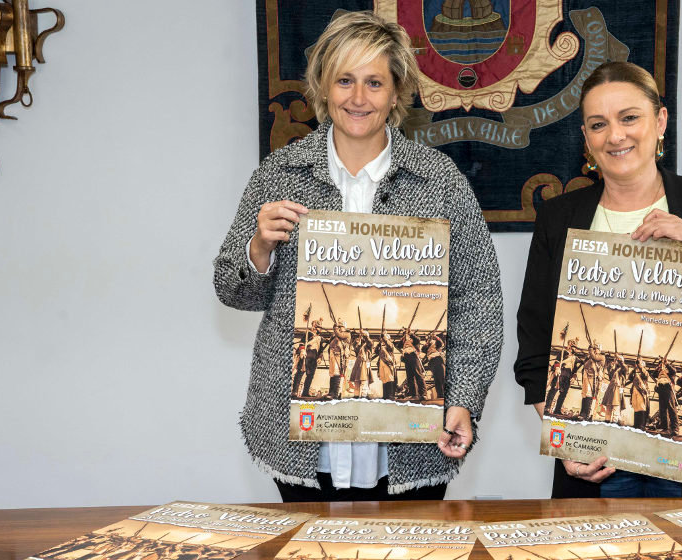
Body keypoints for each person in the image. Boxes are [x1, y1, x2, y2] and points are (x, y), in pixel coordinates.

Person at [214, 10, 502, 501]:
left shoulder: (440, 180)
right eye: (344, 80)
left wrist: (465, 400)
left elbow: (480, 305)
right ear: (323, 87)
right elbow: (232, 290)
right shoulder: (280, 173)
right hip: (300, 432)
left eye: (374, 82)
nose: (358, 98)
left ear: (396, 92)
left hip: (412, 432)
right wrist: (258, 246)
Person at [513, 60, 682, 498]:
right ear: (586, 138)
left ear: (660, 121)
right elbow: (535, 350)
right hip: (596, 463)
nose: (615, 135)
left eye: (629, 117)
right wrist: (564, 444)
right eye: (598, 124)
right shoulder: (558, 219)